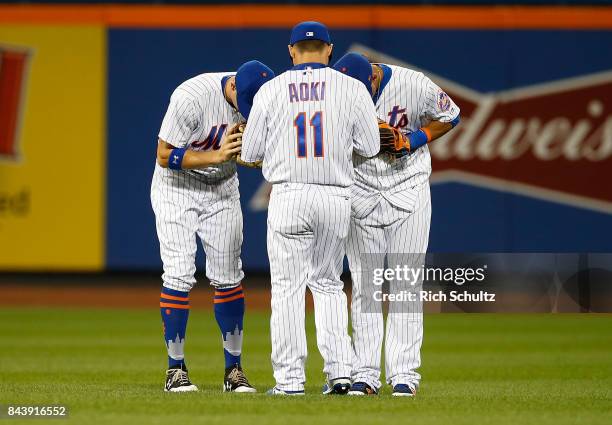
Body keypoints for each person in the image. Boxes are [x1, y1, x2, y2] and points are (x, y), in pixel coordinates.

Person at [240, 22, 380, 395]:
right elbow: (369, 147)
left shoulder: (270, 90)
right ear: (329, 49)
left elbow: (250, 154)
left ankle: (289, 382)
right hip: (335, 196)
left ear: (291, 51)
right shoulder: (352, 88)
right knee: (330, 285)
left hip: (288, 195)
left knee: (287, 289)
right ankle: (341, 374)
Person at [333, 52, 460, 397]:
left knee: (405, 284)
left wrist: (411, 140)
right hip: (361, 191)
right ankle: (365, 374)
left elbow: (451, 115)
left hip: (409, 188)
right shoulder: (337, 93)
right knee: (364, 286)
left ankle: (404, 375)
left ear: (373, 78)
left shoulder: (413, 84)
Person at [151, 60, 274, 392]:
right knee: (178, 272)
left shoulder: (262, 100)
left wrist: (250, 156)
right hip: (176, 188)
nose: (248, 111)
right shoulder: (192, 96)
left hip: (221, 189)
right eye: (244, 103)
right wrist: (217, 156)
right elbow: (164, 155)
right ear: (232, 86)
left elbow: (251, 157)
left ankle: (233, 372)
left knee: (229, 276)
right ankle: (175, 370)